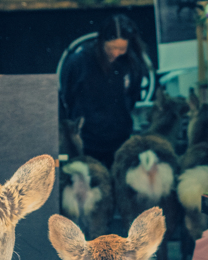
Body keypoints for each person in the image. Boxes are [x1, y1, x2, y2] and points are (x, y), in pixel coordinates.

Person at [59, 14, 147, 168]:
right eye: (112, 47)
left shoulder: (132, 64)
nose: (116, 53)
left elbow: (133, 96)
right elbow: (67, 97)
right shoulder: (78, 62)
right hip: (87, 142)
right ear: (101, 42)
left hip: (120, 139)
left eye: (122, 49)